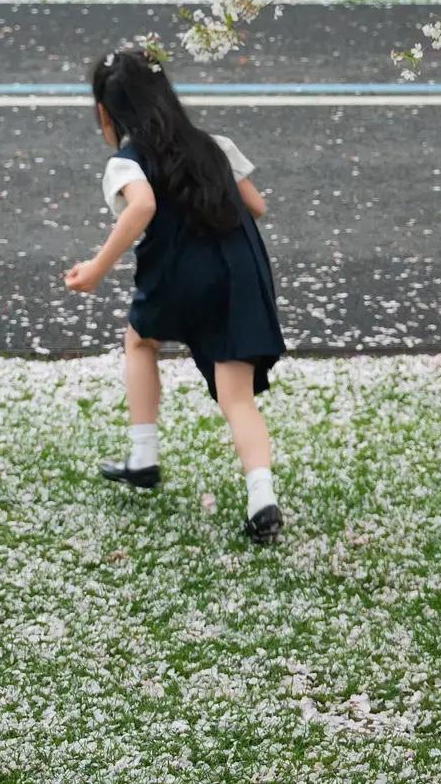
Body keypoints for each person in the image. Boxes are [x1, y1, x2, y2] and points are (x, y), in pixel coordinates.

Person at [63, 47, 287, 544]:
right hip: (238, 276)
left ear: (106, 112)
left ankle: (143, 455)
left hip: (178, 273)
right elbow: (257, 206)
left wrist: (97, 268)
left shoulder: (126, 163)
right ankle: (261, 499)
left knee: (141, 341)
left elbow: (141, 206)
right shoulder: (214, 145)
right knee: (237, 398)